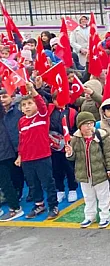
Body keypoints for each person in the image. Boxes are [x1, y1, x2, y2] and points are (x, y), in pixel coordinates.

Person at [66, 111, 110, 229]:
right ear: (80, 126)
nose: (89, 126)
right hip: (84, 174)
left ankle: (105, 216)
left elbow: (108, 153)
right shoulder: (76, 139)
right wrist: (69, 153)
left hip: (100, 173)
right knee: (88, 197)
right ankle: (90, 216)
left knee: (103, 196)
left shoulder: (101, 135)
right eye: (86, 124)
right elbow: (73, 158)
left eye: (91, 123)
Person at [17, 83, 60, 219]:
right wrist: (20, 156)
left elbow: (41, 104)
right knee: (33, 184)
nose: (27, 107)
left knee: (48, 182)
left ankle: (53, 206)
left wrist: (33, 91)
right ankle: (39, 205)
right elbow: (21, 140)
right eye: (24, 105)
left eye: (30, 103)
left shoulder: (42, 116)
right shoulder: (22, 121)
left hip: (42, 157)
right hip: (27, 159)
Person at [0, 89, 24, 221]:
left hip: (5, 152)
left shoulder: (11, 112)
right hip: (5, 150)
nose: (2, 99)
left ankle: (15, 208)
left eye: (4, 96)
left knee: (7, 181)